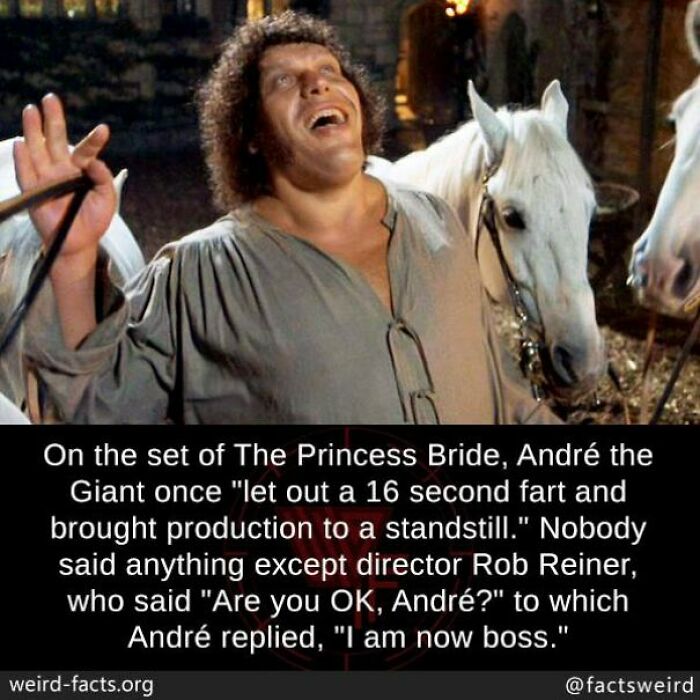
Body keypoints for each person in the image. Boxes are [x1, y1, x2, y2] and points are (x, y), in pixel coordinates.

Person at [17, 11, 557, 425]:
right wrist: (72, 257)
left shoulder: (437, 222)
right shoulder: (199, 275)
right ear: (249, 135)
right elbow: (98, 409)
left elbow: (504, 394)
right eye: (283, 81)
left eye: (329, 71)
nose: (317, 84)